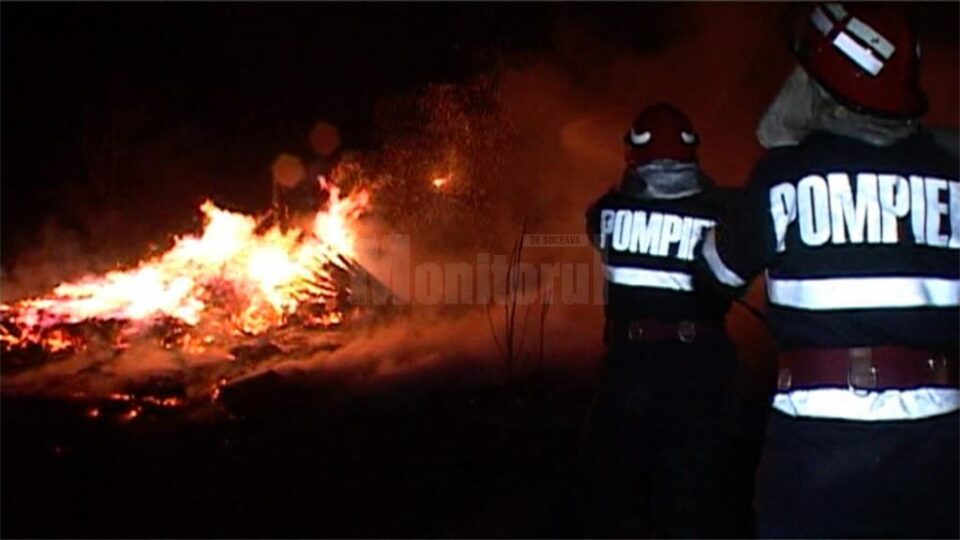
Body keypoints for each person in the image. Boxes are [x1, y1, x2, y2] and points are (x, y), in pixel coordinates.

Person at [696, 4, 959, 537]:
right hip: (940, 450)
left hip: (819, 453)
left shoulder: (781, 178)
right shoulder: (951, 173)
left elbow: (715, 274)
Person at [566, 103, 742, 538]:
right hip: (699, 371)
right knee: (690, 499)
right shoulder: (721, 214)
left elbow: (606, 219)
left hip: (628, 371)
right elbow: (733, 281)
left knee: (606, 495)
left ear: (634, 154)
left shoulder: (605, 212)